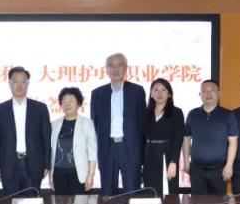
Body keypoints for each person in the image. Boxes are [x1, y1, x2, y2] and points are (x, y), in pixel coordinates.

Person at [90, 53, 146, 196]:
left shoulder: (137, 91)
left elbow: (142, 124)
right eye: (111, 66)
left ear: (126, 68)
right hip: (107, 148)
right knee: (107, 193)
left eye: (119, 65)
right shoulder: (97, 93)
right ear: (106, 69)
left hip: (130, 148)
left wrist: (142, 154)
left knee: (132, 192)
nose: (115, 69)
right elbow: (94, 124)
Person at [0, 66, 52, 194]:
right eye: (15, 81)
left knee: (32, 203)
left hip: (34, 164)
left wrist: (47, 165)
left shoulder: (40, 108)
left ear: (28, 84)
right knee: (10, 203)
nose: (19, 85)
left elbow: (46, 138)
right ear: (10, 84)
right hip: (8, 165)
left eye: (23, 81)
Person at [182, 79, 238, 194]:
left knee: (218, 203)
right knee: (198, 202)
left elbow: (233, 142)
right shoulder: (193, 114)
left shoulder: (228, 115)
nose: (208, 94)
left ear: (219, 93)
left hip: (219, 170)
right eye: (204, 91)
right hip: (196, 169)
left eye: (212, 90)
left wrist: (229, 165)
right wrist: (186, 162)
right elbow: (186, 139)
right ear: (200, 95)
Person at [50, 87, 97, 195]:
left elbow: (92, 152)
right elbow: (51, 152)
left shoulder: (87, 123)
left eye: (71, 100)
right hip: (58, 174)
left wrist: (90, 175)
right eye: (64, 101)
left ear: (79, 104)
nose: (67, 104)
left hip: (79, 174)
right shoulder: (54, 125)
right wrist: (50, 176)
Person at [142, 78, 185, 196]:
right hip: (149, 155)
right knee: (150, 191)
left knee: (168, 193)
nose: (159, 93)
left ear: (169, 94)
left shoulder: (176, 112)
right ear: (151, 94)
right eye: (156, 90)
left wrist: (173, 162)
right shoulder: (146, 113)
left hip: (167, 155)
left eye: (163, 90)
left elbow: (178, 139)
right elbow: (142, 139)